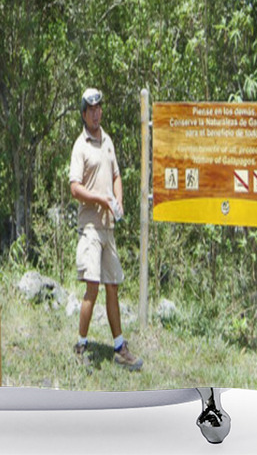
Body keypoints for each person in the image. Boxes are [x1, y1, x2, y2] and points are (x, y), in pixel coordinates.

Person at [69, 88, 143, 371]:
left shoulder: (107, 141)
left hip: (109, 228)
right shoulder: (81, 145)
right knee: (92, 287)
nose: (96, 113)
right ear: (84, 114)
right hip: (90, 226)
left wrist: (118, 199)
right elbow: (74, 187)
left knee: (113, 285)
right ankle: (81, 345)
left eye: (99, 107)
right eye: (91, 109)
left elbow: (116, 175)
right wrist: (100, 199)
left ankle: (119, 348)